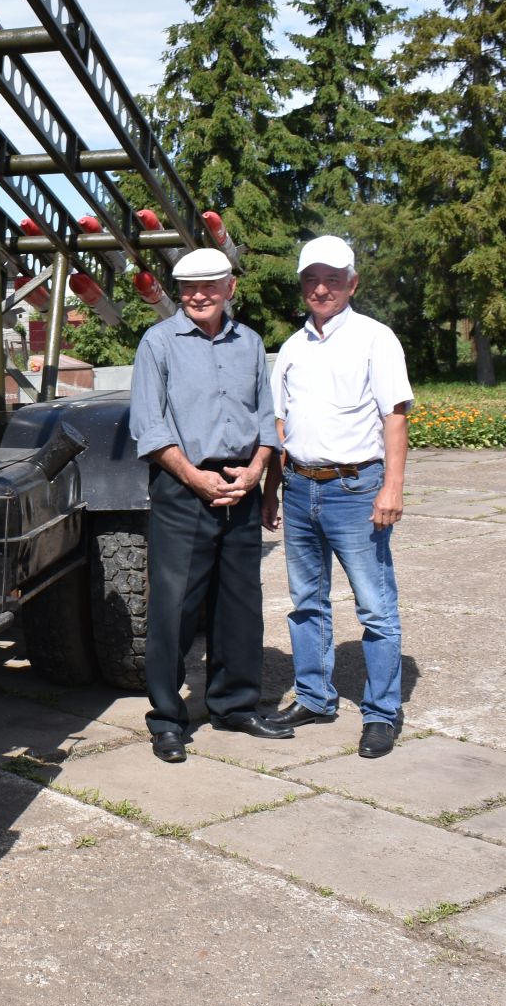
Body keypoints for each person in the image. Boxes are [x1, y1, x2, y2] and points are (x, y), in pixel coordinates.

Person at [128, 247, 291, 763]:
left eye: (210, 285)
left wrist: (259, 469)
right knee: (175, 606)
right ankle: (167, 718)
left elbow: (268, 416)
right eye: (189, 288)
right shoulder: (158, 343)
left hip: (239, 483)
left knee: (240, 603)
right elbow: (148, 425)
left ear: (230, 289)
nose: (198, 295)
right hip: (183, 485)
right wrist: (194, 478)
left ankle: (235, 706)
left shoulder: (251, 344)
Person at [265, 236, 414, 758]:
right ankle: (314, 696)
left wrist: (392, 486)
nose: (321, 288)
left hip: (356, 490)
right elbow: (278, 425)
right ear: (302, 284)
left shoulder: (376, 339)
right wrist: (272, 491)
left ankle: (381, 713)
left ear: (352, 283)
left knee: (375, 607)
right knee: (307, 603)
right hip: (300, 487)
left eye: (332, 278)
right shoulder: (292, 348)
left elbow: (394, 415)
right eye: (311, 279)